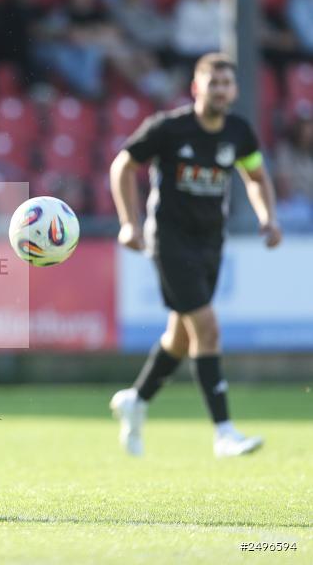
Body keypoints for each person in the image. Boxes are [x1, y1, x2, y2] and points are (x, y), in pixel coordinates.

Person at [109, 53, 281, 458]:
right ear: (196, 87)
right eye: (213, 82)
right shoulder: (169, 128)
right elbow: (123, 166)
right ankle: (224, 432)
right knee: (208, 328)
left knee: (181, 335)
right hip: (169, 240)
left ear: (234, 90)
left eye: (227, 83)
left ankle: (137, 399)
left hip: (210, 242)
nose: (220, 89)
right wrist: (129, 223)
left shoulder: (239, 133)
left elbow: (255, 174)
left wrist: (267, 218)